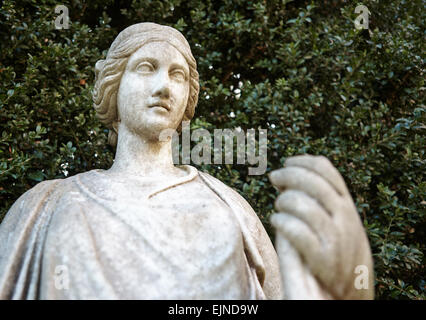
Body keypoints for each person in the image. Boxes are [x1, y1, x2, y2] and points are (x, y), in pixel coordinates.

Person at [0, 23, 374, 300]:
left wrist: (345, 287)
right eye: (146, 67)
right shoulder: (44, 206)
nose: (164, 85)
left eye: (177, 74)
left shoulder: (230, 209)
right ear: (113, 85)